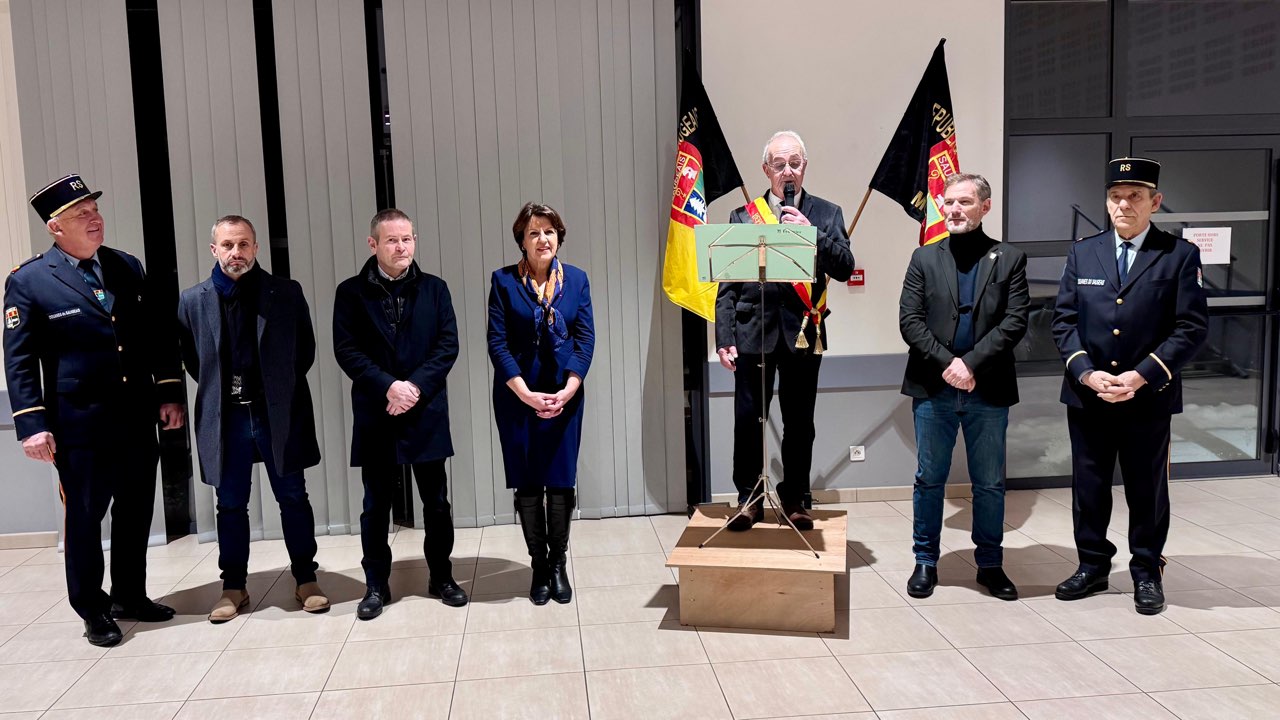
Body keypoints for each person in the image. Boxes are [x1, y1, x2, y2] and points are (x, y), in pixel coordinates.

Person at [4, 174, 185, 646]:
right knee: (84, 518)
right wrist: (31, 424)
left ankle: (130, 595)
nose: (95, 218)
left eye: (95, 210)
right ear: (54, 226)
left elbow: (156, 335)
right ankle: (92, 607)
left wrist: (167, 392)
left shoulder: (126, 266)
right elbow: (19, 359)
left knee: (135, 511)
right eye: (81, 213)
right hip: (79, 424)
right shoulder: (29, 281)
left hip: (135, 418)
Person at [1051, 157, 1208, 615]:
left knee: (1147, 489)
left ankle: (1146, 572)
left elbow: (1191, 328)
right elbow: (1063, 320)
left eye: (1135, 196)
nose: (1124, 204)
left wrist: (1141, 375)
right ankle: (1093, 566)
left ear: (1155, 202)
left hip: (1148, 397)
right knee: (1090, 486)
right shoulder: (1084, 252)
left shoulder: (1178, 255)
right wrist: (1085, 371)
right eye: (1116, 196)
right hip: (1089, 395)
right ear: (1106, 201)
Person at [178, 215, 327, 623]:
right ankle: (233, 586)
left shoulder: (286, 292)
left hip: (275, 411)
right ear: (214, 250)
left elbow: (305, 351)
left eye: (243, 244)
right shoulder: (193, 300)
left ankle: (305, 579)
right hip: (226, 418)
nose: (236, 253)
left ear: (256, 248)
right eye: (227, 245)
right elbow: (195, 362)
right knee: (229, 504)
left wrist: (275, 389)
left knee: (293, 497)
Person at [898, 173, 1029, 600]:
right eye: (948, 202)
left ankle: (990, 564)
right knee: (928, 480)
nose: (953, 210)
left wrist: (970, 364)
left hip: (987, 389)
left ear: (984, 207)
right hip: (933, 389)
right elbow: (910, 322)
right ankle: (925, 561)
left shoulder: (1009, 258)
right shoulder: (924, 258)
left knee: (989, 482)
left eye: (964, 202)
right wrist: (949, 365)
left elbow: (1014, 322)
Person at [715, 130, 854, 531]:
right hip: (750, 334)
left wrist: (811, 232)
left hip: (803, 334)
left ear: (804, 167)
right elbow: (727, 286)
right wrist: (723, 338)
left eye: (795, 163)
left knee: (799, 423)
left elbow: (844, 266)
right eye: (779, 164)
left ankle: (795, 497)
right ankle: (748, 497)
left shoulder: (827, 214)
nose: (788, 171)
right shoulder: (743, 215)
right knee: (748, 419)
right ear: (766, 169)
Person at [334, 208, 468, 620]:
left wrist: (413, 388)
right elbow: (347, 350)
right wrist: (389, 386)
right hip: (378, 412)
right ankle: (376, 585)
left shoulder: (435, 289)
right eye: (392, 240)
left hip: (424, 410)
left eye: (407, 239)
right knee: (376, 505)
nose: (401, 247)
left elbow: (447, 345)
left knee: (437, 503)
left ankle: (441, 576)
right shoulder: (350, 292)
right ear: (373, 244)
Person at [488, 202, 594, 605]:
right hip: (518, 396)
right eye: (534, 233)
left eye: (549, 231)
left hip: (565, 394)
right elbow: (496, 342)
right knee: (529, 481)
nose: (542, 239)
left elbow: (585, 339)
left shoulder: (578, 280)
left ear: (559, 236)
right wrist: (524, 392)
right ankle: (537, 564)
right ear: (522, 240)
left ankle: (557, 564)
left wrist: (568, 388)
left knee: (561, 479)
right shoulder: (502, 282)